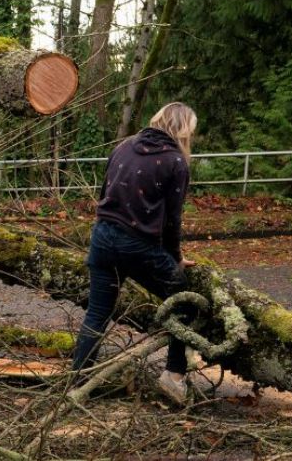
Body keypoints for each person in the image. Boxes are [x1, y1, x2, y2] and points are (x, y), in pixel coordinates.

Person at [71, 102, 198, 404]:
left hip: (102, 238)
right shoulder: (175, 161)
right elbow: (172, 220)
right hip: (137, 245)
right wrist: (176, 258)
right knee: (185, 301)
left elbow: (104, 192)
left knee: (97, 314)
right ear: (183, 128)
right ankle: (174, 375)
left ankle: (76, 382)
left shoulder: (124, 146)